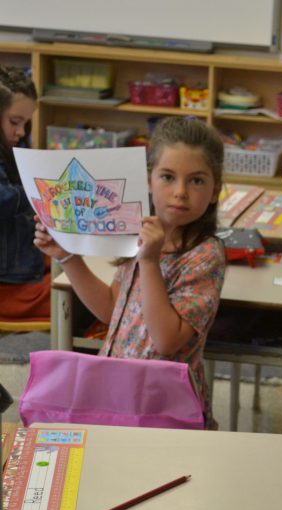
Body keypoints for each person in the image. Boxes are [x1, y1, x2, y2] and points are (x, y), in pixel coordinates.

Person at [34, 117, 226, 426]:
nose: (180, 192)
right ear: (148, 181)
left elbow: (166, 340)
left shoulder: (205, 255)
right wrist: (67, 256)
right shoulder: (137, 231)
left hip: (165, 407)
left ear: (215, 190)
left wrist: (149, 262)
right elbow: (112, 309)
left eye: (197, 180)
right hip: (118, 393)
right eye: (167, 177)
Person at [0, 65, 50, 323]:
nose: (21, 132)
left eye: (26, 123)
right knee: (75, 295)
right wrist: (40, 190)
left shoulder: (12, 147)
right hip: (10, 284)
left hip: (20, 265)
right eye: (14, 122)